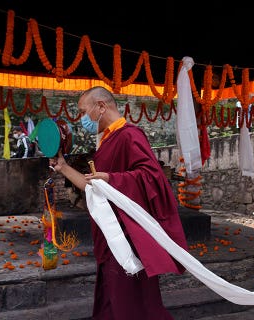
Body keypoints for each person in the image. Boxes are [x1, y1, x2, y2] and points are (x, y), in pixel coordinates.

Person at [49, 86, 188, 319]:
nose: (84, 119)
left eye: (85, 112)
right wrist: (63, 167)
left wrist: (112, 178)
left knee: (133, 303)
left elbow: (153, 178)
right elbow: (95, 188)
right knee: (112, 298)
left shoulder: (130, 135)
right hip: (110, 235)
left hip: (129, 238)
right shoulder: (107, 140)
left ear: (101, 106)